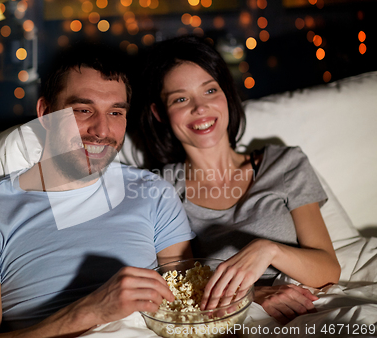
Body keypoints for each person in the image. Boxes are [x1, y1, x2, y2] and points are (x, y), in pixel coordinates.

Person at [0, 44, 195, 338]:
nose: (102, 130)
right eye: (83, 110)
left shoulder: (154, 192)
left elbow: (189, 307)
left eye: (115, 112)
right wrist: (89, 312)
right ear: (45, 113)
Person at [139, 35, 341, 324]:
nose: (200, 108)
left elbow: (328, 270)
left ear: (226, 93)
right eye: (181, 99)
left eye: (210, 91)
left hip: (307, 311)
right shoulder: (162, 189)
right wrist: (252, 294)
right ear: (159, 112)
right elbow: (179, 288)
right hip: (231, 320)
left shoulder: (284, 163)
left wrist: (266, 250)